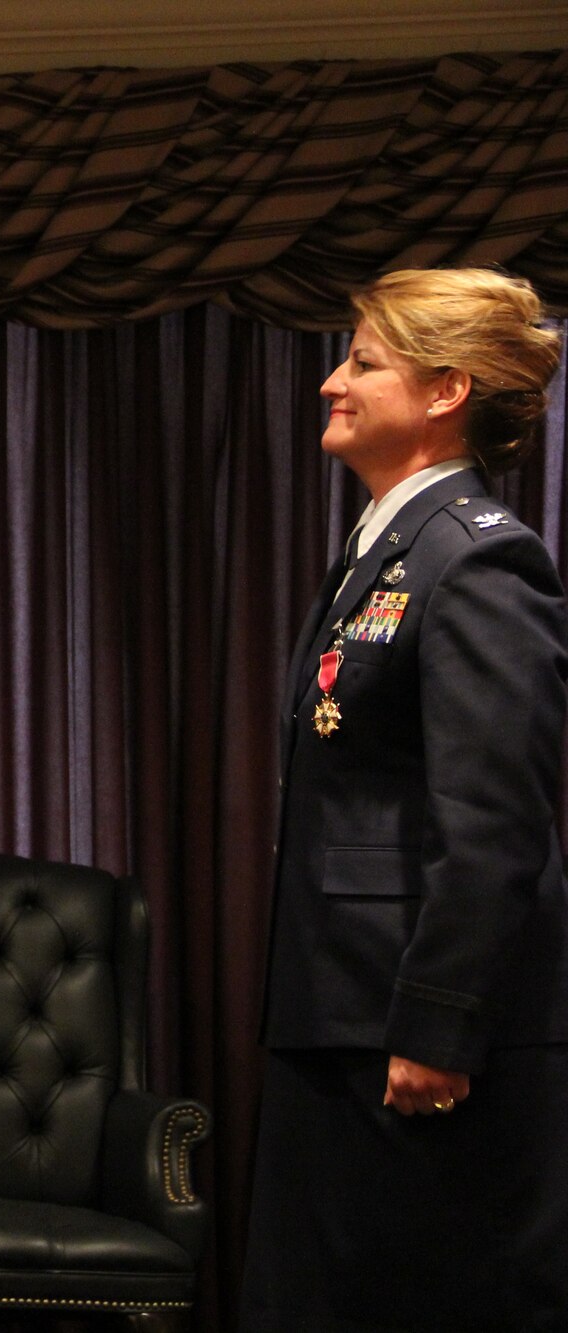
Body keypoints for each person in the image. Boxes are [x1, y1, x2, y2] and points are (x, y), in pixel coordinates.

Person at [243, 268, 568, 1331]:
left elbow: (491, 824)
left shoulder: (475, 561)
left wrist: (437, 1029)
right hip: (341, 1013)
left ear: (444, 391)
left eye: (362, 363)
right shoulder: (386, 549)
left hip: (411, 1042)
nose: (331, 383)